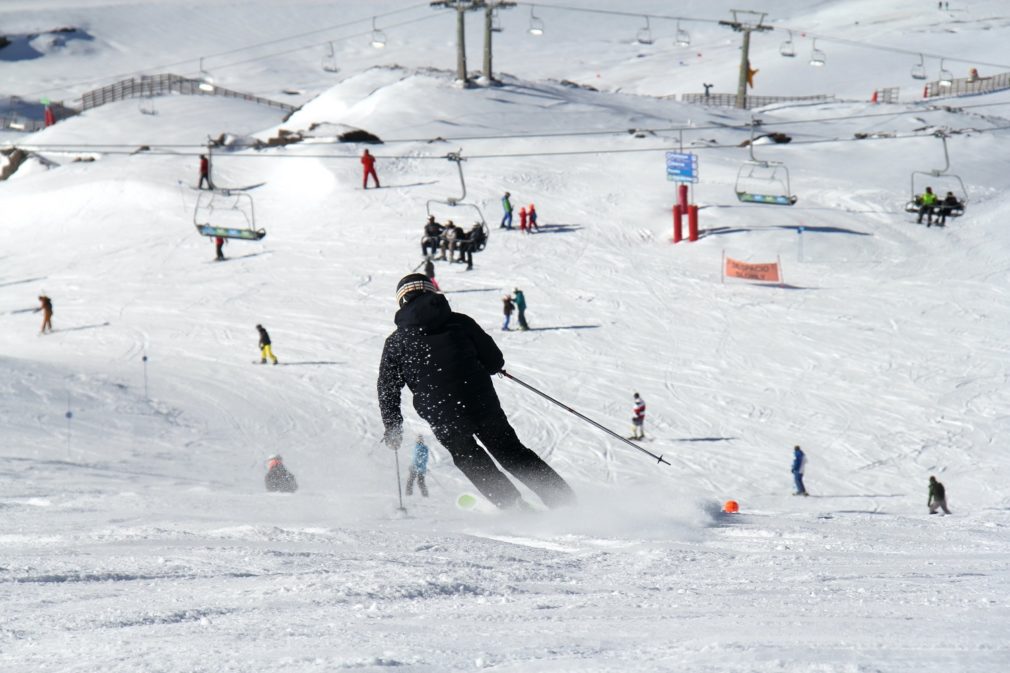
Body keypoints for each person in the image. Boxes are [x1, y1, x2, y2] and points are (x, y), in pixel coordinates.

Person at [377, 274, 575, 509]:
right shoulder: (460, 322)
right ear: (432, 293)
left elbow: (387, 388)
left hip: (442, 414)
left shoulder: (397, 342)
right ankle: (564, 503)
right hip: (480, 401)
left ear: (401, 301)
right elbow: (493, 360)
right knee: (510, 451)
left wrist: (393, 425)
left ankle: (512, 505)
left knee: (469, 458)